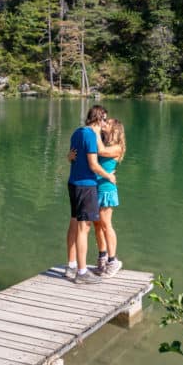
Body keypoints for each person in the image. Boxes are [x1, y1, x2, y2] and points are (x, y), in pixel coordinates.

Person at [64, 105, 116, 284]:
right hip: (86, 185)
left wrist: (68, 157)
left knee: (74, 223)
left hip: (72, 183)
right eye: (104, 120)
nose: (104, 125)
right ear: (98, 118)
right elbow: (93, 165)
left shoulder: (77, 132)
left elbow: (71, 156)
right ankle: (82, 272)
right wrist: (109, 175)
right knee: (84, 228)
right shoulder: (91, 135)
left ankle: (71, 265)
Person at [92, 118, 126, 276]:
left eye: (108, 122)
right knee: (97, 225)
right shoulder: (103, 143)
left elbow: (101, 152)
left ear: (115, 129)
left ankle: (113, 261)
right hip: (95, 187)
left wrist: (96, 130)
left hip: (106, 188)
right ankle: (102, 257)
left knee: (106, 224)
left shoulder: (117, 148)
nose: (104, 123)